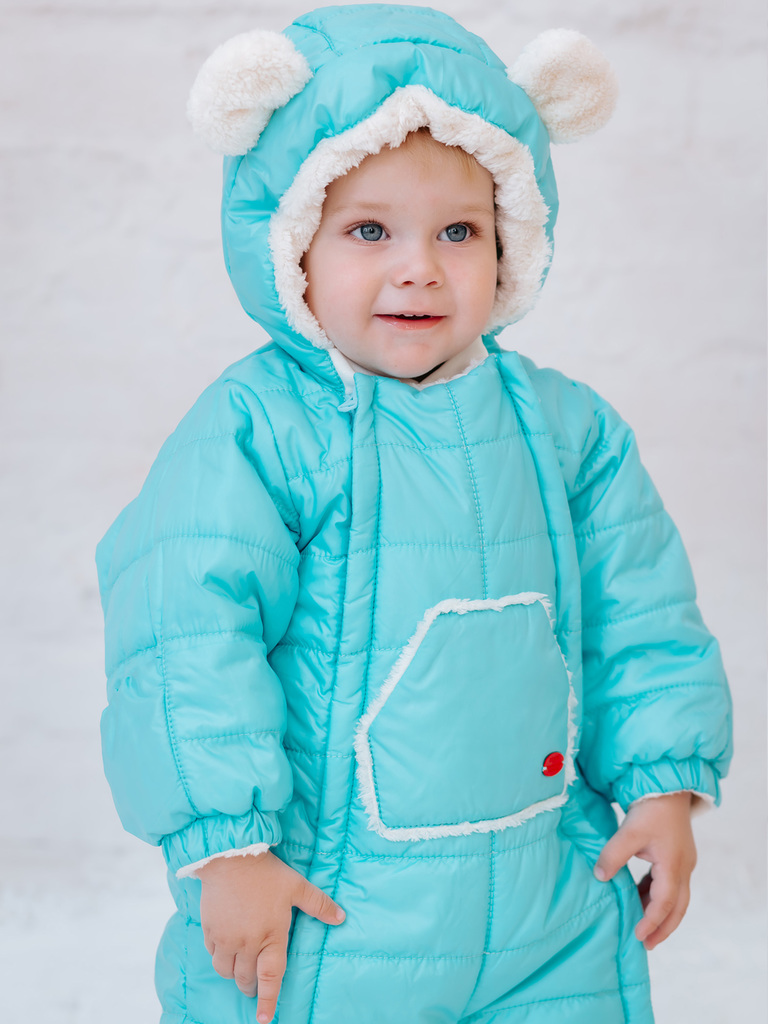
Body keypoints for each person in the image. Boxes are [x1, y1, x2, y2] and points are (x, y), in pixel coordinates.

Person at [95, 7, 732, 1024]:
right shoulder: (260, 431)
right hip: (326, 915)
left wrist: (663, 784)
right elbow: (184, 636)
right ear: (293, 246)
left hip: (548, 917)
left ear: (511, 240)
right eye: (369, 231)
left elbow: (643, 616)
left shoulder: (568, 431)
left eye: (458, 232)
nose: (420, 267)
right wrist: (227, 843)